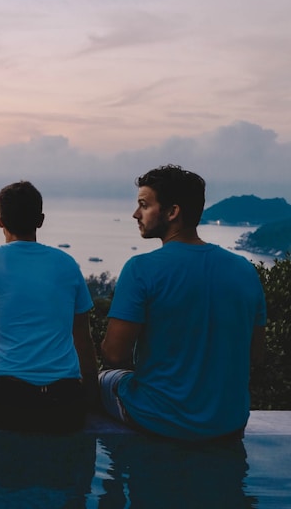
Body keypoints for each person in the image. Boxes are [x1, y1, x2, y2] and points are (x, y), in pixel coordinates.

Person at [100, 165, 267, 441]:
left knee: (101, 379)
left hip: (158, 419)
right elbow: (255, 356)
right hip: (228, 422)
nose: (135, 214)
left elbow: (115, 354)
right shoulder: (244, 270)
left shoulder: (141, 269)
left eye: (144, 205)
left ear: (172, 212)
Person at [0, 181, 98, 433]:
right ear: (41, 220)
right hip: (66, 403)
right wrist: (92, 399)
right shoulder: (67, 264)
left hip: (7, 401)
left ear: (0, 220)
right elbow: (84, 341)